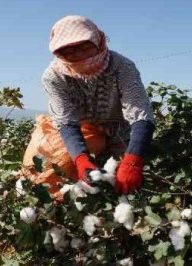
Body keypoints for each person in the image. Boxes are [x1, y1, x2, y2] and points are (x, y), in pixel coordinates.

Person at [41, 15, 155, 194]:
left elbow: (141, 113)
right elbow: (66, 122)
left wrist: (133, 161)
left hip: (120, 128)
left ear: (97, 41)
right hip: (82, 128)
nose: (77, 55)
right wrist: (81, 160)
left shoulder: (122, 66)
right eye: (68, 51)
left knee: (125, 181)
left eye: (83, 47)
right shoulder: (54, 76)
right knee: (58, 166)